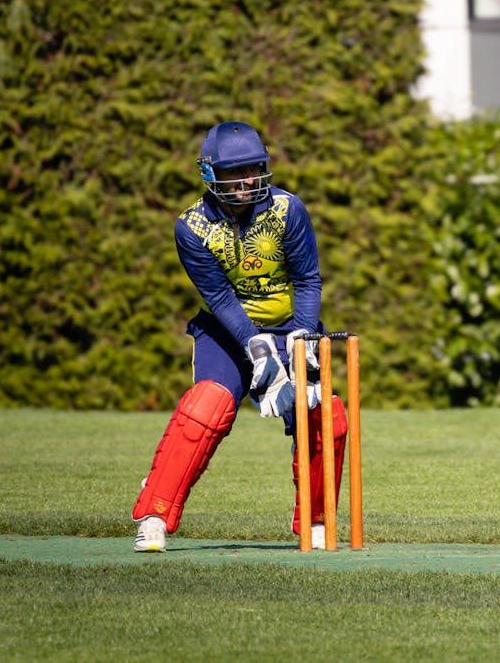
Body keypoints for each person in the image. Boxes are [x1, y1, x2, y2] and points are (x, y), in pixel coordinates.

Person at [131, 121, 346, 552]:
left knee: (324, 415)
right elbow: (220, 297)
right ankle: (153, 515)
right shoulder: (190, 227)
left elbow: (307, 279)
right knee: (206, 409)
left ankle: (317, 521)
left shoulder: (288, 209)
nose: (247, 180)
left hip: (290, 326)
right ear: (210, 174)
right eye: (234, 172)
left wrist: (300, 341)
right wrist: (255, 344)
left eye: (253, 168)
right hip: (226, 331)